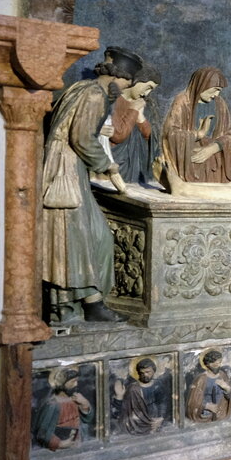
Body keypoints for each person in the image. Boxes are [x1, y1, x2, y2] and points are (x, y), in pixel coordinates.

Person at [39, 47, 140, 325]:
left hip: (66, 168)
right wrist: (108, 165)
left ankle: (88, 302)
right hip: (66, 172)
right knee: (78, 238)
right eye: (127, 81)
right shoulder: (94, 94)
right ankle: (83, 305)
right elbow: (81, 138)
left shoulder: (81, 88)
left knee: (91, 236)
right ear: (119, 77)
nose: (125, 88)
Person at [162, 67, 231, 183]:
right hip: (191, 162)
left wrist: (213, 148)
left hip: (214, 166)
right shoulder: (183, 101)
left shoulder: (220, 104)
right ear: (203, 84)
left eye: (219, 91)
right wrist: (198, 134)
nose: (216, 94)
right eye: (215, 89)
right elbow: (171, 133)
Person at [104, 65, 161, 185]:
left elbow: (149, 137)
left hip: (135, 165)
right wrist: (133, 110)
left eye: (151, 90)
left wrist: (140, 118)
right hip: (117, 162)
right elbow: (118, 135)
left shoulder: (142, 103)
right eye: (148, 87)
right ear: (137, 80)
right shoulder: (114, 100)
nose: (146, 93)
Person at [33, 368, 93, 450]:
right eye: (73, 381)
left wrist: (85, 404)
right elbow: (42, 433)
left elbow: (87, 420)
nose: (76, 384)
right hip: (63, 446)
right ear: (62, 383)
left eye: (77, 381)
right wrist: (60, 444)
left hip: (79, 443)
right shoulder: (52, 405)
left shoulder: (76, 398)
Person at [118, 357, 168, 435]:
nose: (145, 375)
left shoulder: (157, 385)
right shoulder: (133, 388)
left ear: (154, 371)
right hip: (138, 420)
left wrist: (161, 417)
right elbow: (126, 409)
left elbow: (162, 402)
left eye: (148, 372)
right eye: (142, 373)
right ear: (138, 373)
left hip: (154, 416)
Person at [186, 350, 231, 423]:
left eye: (219, 363)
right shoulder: (201, 379)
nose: (218, 366)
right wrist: (207, 406)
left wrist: (227, 388)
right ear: (208, 364)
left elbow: (230, 395)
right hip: (205, 413)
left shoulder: (222, 375)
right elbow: (193, 401)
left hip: (221, 411)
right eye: (215, 364)